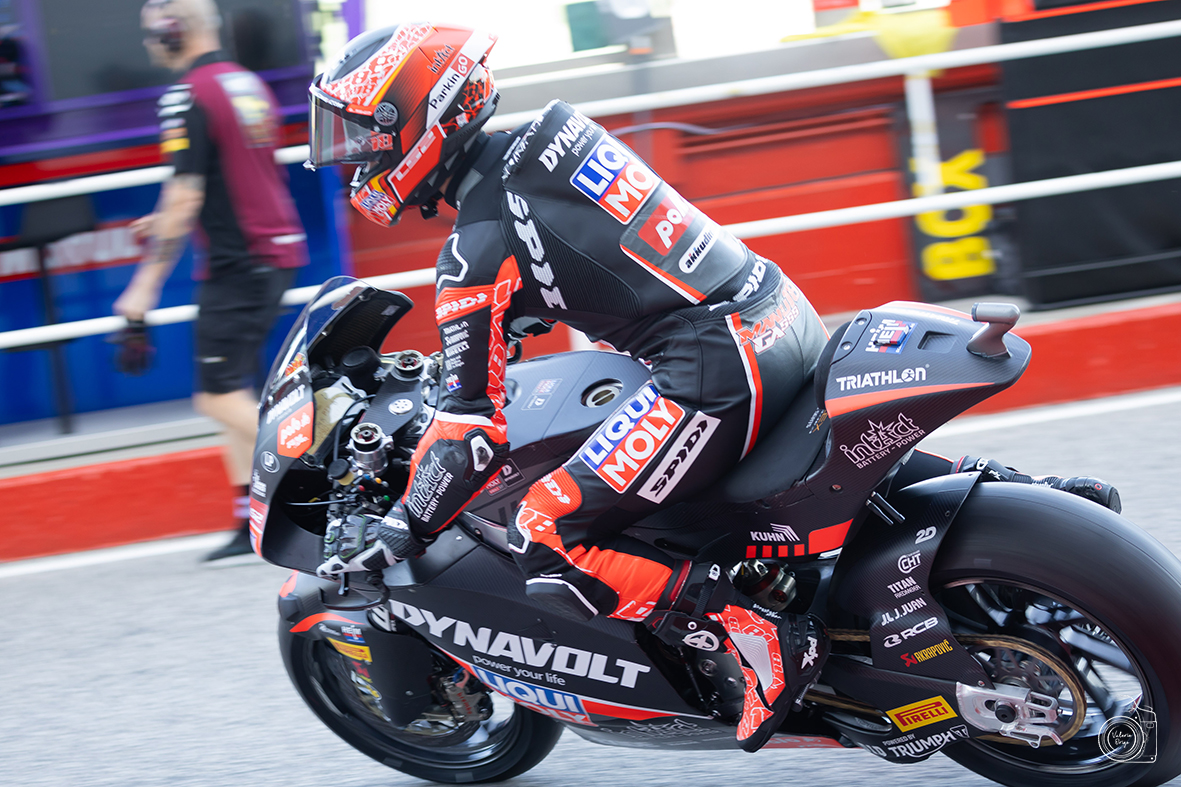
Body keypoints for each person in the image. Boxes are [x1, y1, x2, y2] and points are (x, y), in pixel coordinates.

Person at [305, 24, 1120, 751]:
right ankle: (1030, 492)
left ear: (420, 117)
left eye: (360, 135)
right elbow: (596, 254)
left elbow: (468, 433)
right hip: (777, 311)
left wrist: (402, 527)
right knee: (809, 460)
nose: (350, 158)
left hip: (714, 369)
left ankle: (754, 631)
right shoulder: (554, 134)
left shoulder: (474, 249)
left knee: (544, 524)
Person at [114, 0, 307, 562]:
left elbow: (186, 193)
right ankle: (249, 522)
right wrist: (166, 218)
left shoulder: (186, 95)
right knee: (233, 390)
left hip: (238, 261)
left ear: (173, 31)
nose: (147, 42)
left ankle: (333, 468)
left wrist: (144, 287)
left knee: (217, 397)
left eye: (152, 31)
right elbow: (221, 176)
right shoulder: (244, 83)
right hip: (269, 250)